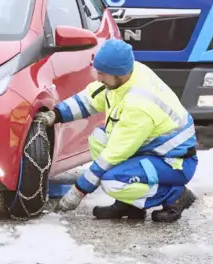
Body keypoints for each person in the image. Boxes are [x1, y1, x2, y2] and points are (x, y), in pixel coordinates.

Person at [34, 39, 198, 222]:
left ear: (119, 73)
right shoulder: (127, 74)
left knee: (112, 181)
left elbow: (112, 156)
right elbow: (89, 99)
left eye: (102, 74)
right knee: (99, 138)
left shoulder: (139, 106)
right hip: (150, 149)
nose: (98, 78)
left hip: (174, 161)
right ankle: (130, 205)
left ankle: (175, 195)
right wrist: (55, 115)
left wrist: (78, 191)